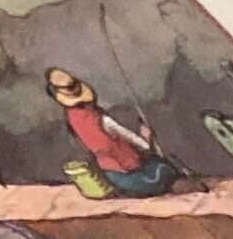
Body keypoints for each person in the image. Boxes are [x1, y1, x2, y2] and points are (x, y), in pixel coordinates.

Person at [46, 68, 176, 197]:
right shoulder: (103, 120)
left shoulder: (72, 118)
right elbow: (137, 142)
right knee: (166, 170)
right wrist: (146, 137)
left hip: (111, 174)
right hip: (130, 173)